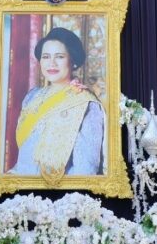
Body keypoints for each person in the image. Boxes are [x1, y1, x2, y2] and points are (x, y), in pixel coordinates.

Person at [11, 26, 105, 176]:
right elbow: (24, 157)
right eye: (46, 57)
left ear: (72, 61)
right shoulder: (32, 97)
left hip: (59, 194)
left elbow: (85, 170)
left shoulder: (86, 104)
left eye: (60, 57)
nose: (51, 63)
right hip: (22, 187)